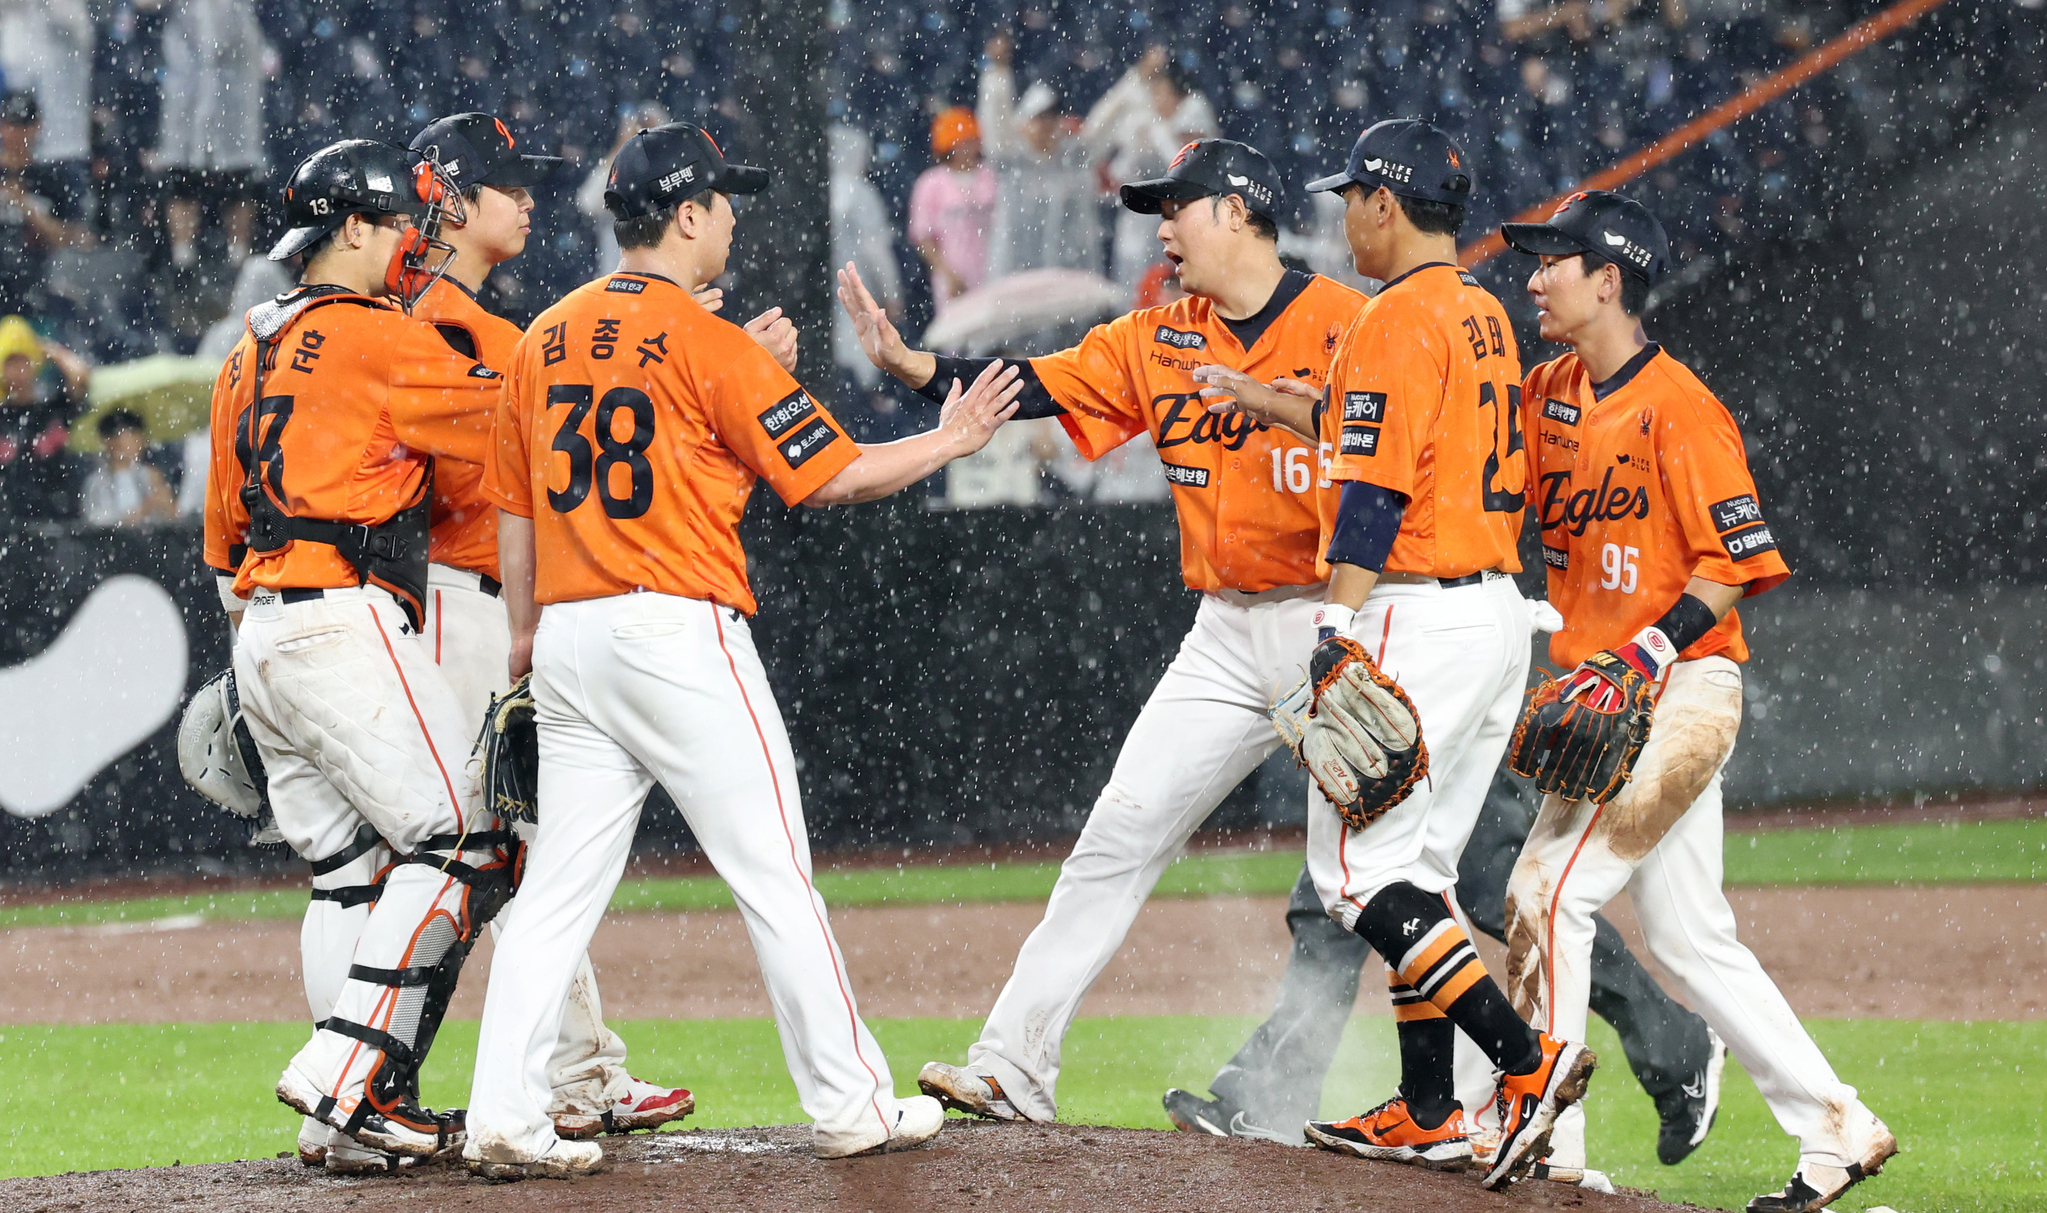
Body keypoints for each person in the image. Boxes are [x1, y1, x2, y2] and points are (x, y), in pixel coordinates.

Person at [463, 123, 1024, 1178]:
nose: (731, 216)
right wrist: (951, 439)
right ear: (683, 215)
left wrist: (525, 632)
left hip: (574, 634)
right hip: (675, 628)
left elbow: (515, 505)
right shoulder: (704, 338)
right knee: (773, 873)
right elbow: (835, 474)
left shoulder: (544, 332)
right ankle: (851, 1102)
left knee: (557, 894)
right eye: (721, 201)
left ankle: (503, 1110)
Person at [838, 137, 1372, 1126]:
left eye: (1177, 207)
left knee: (1375, 880)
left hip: (1333, 618)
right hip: (1223, 630)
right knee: (1117, 835)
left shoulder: (1350, 326)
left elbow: (1411, 458)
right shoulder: (1157, 338)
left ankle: (1481, 1091)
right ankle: (1012, 1064)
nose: (1162, 228)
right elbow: (1032, 385)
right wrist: (914, 364)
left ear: (1237, 212)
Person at [1202, 119, 1591, 1190]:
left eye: (1350, 198)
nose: (1341, 217)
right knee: (1418, 869)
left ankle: (1523, 1062)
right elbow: (1377, 434)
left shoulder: (1387, 317)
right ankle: (1429, 1108)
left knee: (1351, 877)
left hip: (1411, 608)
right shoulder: (1482, 313)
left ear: (1384, 201)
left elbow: (1372, 490)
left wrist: (1332, 629)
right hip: (1497, 613)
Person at [1498, 190, 1896, 1213]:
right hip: (1607, 692)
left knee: (1548, 890)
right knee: (1686, 938)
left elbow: (1734, 567)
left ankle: (1545, 1137)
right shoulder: (1543, 394)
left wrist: (1639, 651)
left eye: (1555, 260)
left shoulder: (1678, 403)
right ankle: (1836, 1124)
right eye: (1534, 260)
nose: (1534, 277)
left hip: (1680, 690)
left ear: (1608, 280)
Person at [202, 138, 510, 1164]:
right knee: (467, 842)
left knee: (346, 874)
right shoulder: (378, 336)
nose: (407, 245)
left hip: (262, 630)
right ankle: (346, 1077)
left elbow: (218, 542)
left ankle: (341, 1128)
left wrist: (258, 667)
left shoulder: (247, 347)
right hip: (342, 615)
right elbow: (512, 426)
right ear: (351, 229)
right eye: (393, 226)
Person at [1162, 763, 1725, 1180]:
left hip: (1442, 690)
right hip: (1400, 701)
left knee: (1500, 893)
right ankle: (1277, 1094)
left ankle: (1665, 1045)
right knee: (1337, 899)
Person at [1082, 47, 1218, 289]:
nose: (1155, 98)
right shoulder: (1147, 118)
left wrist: (1158, 131)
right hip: (1139, 223)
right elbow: (1104, 145)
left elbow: (1184, 168)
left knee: (1177, 288)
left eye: (1160, 91)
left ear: (1176, 92)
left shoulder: (1194, 109)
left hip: (1184, 219)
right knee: (1134, 286)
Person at [153, 0, 269, 268]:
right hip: (186, 82)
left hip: (235, 81)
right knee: (181, 177)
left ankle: (238, 257)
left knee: (238, 176)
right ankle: (183, 261)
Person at [976, 33, 1101, 279]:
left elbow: (1105, 123)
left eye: (1050, 118)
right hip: (1016, 277)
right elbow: (994, 120)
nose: (1045, 125)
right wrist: (997, 74)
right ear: (1023, 123)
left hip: (1069, 276)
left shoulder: (1072, 160)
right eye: (1038, 118)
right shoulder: (1010, 161)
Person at [0, 92, 95, 319]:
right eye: (11, 125)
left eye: (24, 125)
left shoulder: (50, 178)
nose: (16, 133)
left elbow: (66, 239)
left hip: (34, 289)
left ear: (37, 126)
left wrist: (23, 203)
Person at [907, 106, 995, 315]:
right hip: (954, 279)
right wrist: (948, 274)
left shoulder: (991, 176)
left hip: (993, 272)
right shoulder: (931, 183)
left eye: (974, 140)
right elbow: (923, 237)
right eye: (965, 142)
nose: (973, 147)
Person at [0, 317, 87, 519]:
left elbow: (81, 377)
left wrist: (50, 350)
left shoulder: (52, 409)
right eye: (11, 363)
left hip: (59, 517)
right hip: (8, 523)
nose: (19, 371)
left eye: (24, 361)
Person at [82, 408, 176, 526]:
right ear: (109, 442)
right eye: (129, 437)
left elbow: (172, 518)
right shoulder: (97, 482)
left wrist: (165, 503)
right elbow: (102, 524)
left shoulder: (149, 474)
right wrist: (145, 508)